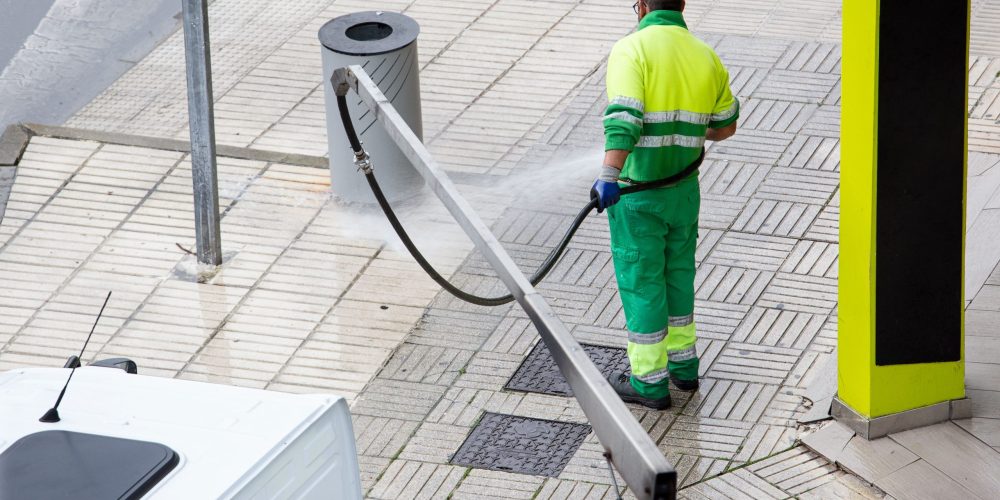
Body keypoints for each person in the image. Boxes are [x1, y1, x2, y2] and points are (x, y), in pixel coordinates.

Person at [591, 0, 738, 410]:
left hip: (638, 195)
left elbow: (624, 119)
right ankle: (684, 367)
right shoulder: (705, 55)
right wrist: (683, 134)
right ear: (682, 4)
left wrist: (608, 174)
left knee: (643, 283)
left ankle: (649, 383)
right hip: (683, 192)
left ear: (640, 5)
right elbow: (726, 125)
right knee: (678, 275)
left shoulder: (631, 49)